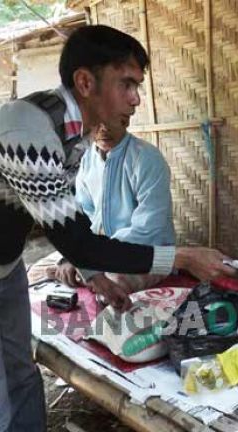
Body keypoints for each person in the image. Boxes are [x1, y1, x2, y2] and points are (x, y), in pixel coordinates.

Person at [0, 25, 235, 432]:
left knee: (23, 379)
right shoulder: (26, 130)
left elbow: (72, 226)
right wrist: (183, 256)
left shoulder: (75, 136)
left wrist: (95, 278)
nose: (136, 98)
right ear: (85, 82)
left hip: (3, 266)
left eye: (138, 86)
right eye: (126, 84)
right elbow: (79, 239)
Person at [48, 108, 176, 300]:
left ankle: (87, 277)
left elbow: (148, 229)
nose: (103, 129)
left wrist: (92, 260)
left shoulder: (147, 158)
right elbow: (84, 213)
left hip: (147, 251)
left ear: (125, 120)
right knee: (51, 266)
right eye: (96, 123)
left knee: (111, 286)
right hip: (100, 251)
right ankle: (83, 273)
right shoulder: (88, 159)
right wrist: (77, 256)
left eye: (110, 121)